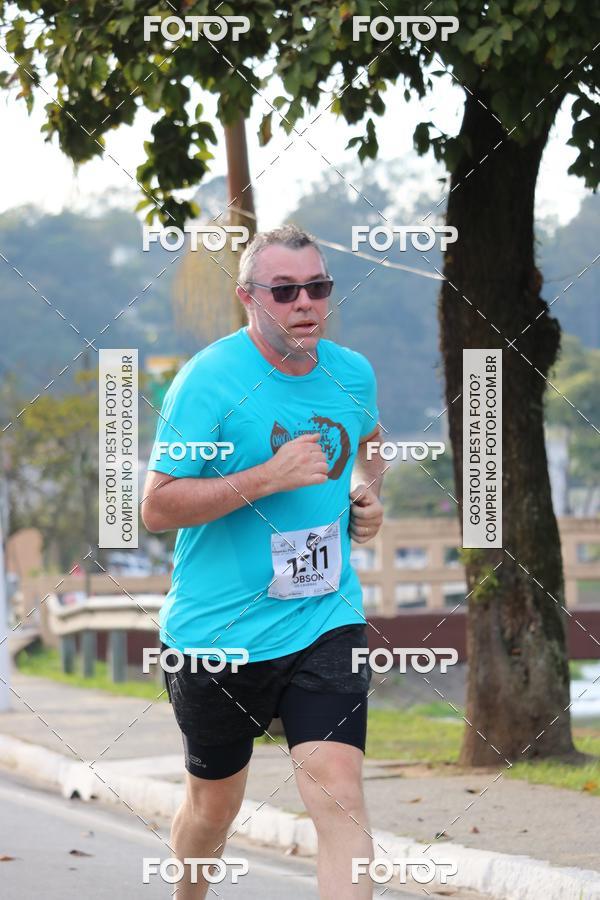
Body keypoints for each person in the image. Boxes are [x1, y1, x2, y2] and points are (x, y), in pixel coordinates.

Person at [142, 224, 386, 898]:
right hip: (217, 636)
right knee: (212, 810)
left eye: (318, 288)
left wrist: (369, 494)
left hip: (323, 617)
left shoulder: (352, 371)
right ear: (250, 297)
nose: (305, 302)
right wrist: (268, 477)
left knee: (339, 793)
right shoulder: (209, 382)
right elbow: (157, 507)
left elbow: (370, 439)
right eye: (286, 291)